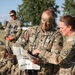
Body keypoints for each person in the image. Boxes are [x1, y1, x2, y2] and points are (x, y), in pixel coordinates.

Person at [13, 8, 63, 75]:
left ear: (52, 21)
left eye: (48, 22)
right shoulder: (32, 30)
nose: (44, 24)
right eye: (43, 20)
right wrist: (25, 53)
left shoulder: (57, 35)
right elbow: (17, 44)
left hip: (45, 69)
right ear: (41, 18)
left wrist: (41, 61)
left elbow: (56, 57)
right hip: (28, 65)